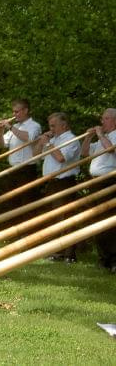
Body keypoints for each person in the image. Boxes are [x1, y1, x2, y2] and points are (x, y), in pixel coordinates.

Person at [33, 112, 81, 263]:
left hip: (64, 181)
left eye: (54, 126)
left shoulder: (72, 139)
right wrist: (41, 143)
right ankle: (56, 250)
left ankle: (68, 254)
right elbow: (35, 156)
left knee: (65, 217)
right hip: (52, 182)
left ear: (64, 125)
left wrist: (48, 144)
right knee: (54, 217)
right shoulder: (53, 140)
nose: (51, 129)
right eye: (50, 126)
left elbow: (61, 158)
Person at [81, 108, 116, 272]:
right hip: (95, 182)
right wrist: (88, 137)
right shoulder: (104, 137)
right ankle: (104, 258)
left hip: (109, 182)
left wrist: (100, 135)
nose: (102, 122)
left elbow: (111, 149)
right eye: (102, 119)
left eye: (106, 119)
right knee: (97, 220)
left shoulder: (112, 136)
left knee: (109, 221)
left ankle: (113, 259)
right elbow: (85, 153)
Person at [0, 99, 42, 212]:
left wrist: (10, 127)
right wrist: (0, 131)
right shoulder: (15, 127)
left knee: (27, 204)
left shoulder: (34, 125)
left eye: (17, 112)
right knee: (12, 204)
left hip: (27, 170)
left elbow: (28, 138)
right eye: (13, 112)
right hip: (13, 170)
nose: (14, 115)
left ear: (25, 110)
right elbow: (1, 145)